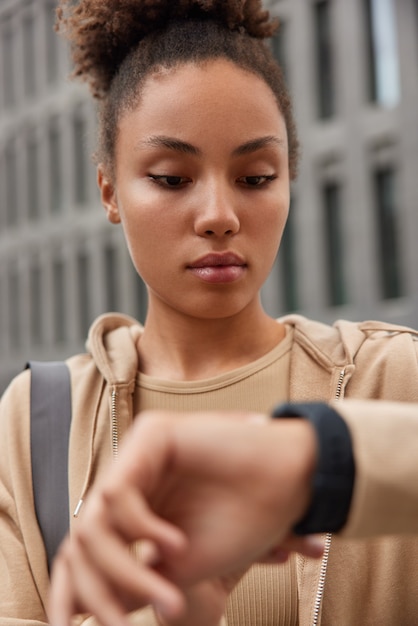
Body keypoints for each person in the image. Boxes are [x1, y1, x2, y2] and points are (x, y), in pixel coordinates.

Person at [0, 0, 417, 624]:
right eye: (171, 178)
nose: (220, 214)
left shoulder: (389, 380)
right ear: (110, 189)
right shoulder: (38, 422)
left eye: (255, 177)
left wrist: (320, 458)